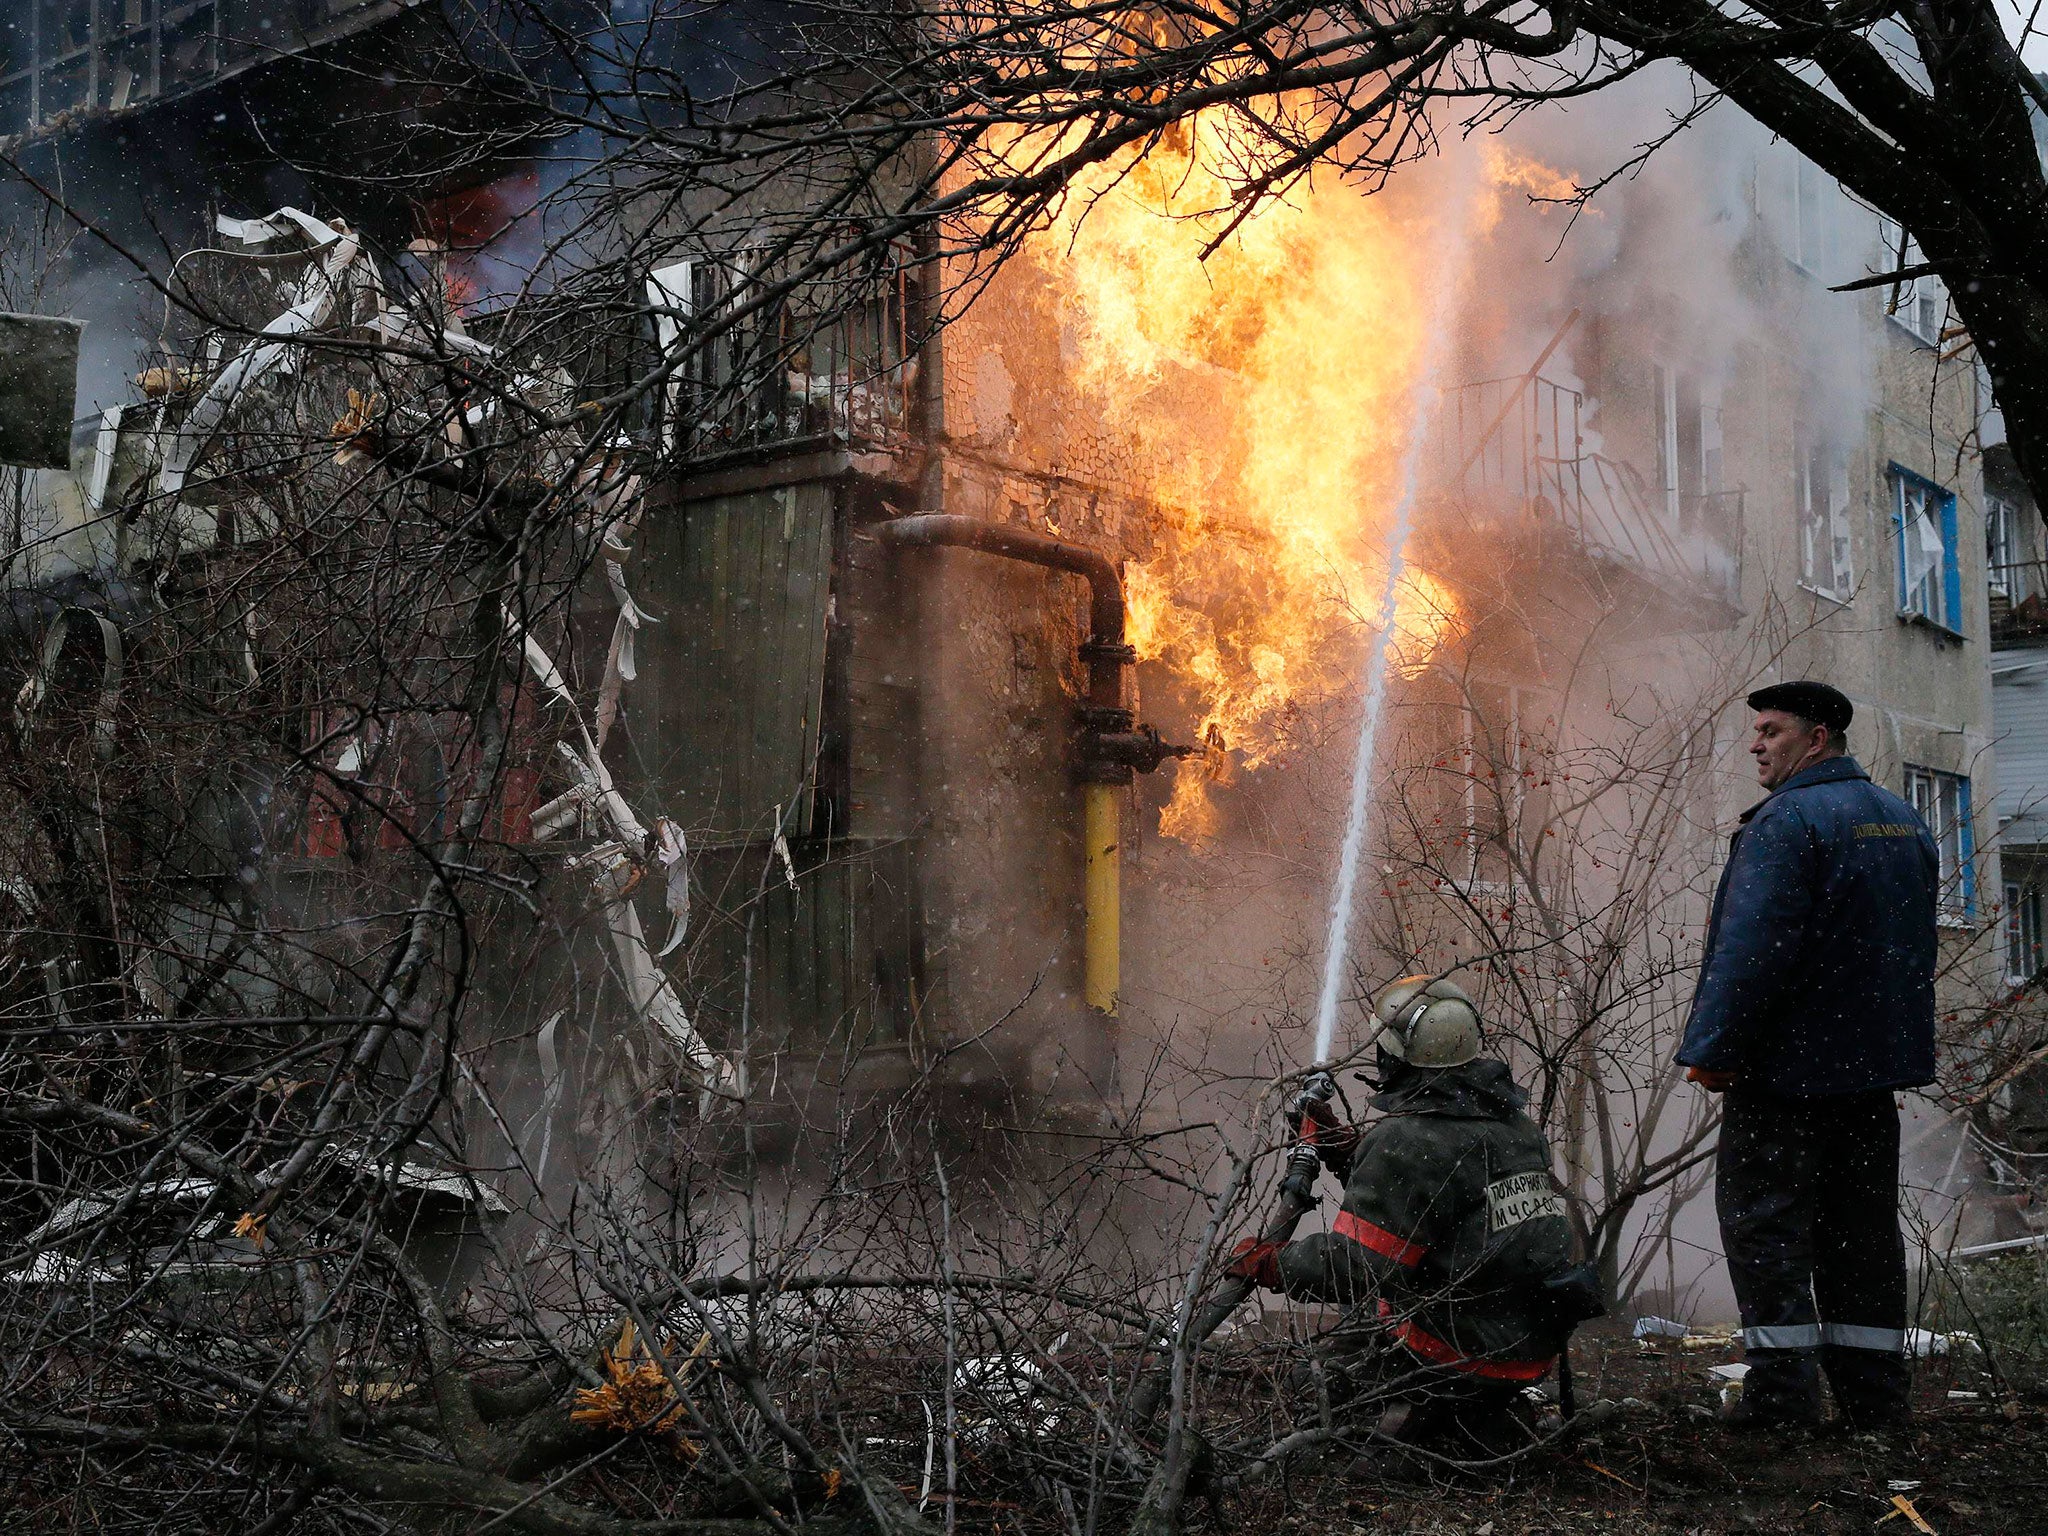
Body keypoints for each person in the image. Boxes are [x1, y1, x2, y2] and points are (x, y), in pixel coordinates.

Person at [1677, 680, 1938, 1430]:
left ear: (1816, 737)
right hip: (1869, 1080)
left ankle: (1782, 1402)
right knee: (1861, 1237)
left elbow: (1752, 950)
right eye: (1755, 731)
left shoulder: (1788, 822)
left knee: (1767, 1233)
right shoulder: (1901, 818)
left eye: (1771, 730)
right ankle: (1874, 1402)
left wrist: (1717, 1050)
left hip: (1786, 1078)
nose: (1756, 744)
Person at [1226, 976, 1588, 1451]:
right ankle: (1484, 1415)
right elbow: (1442, 1198)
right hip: (1527, 1344)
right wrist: (1346, 1150)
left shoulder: (1408, 1141)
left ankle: (1429, 1434)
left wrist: (1272, 1263)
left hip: (1463, 1349)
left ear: (1397, 1057)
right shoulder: (1511, 1125)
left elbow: (1356, 1267)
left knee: (1315, 1376)